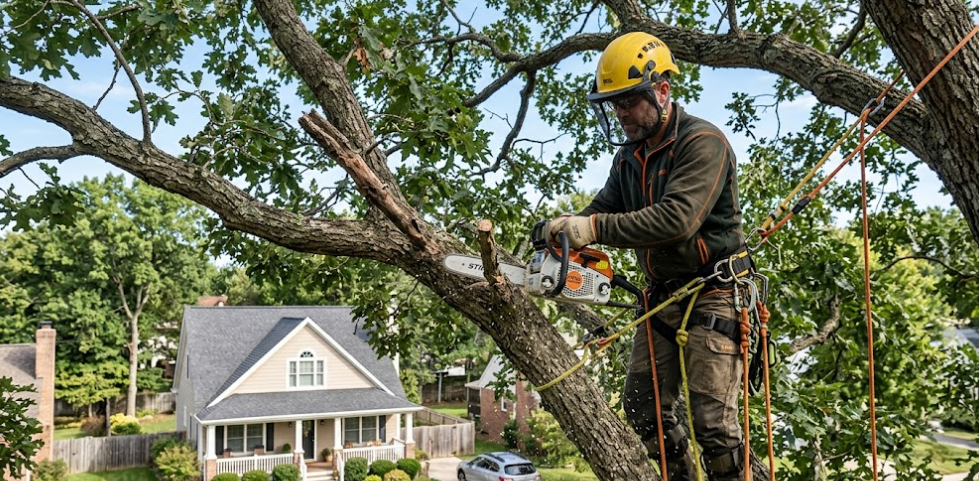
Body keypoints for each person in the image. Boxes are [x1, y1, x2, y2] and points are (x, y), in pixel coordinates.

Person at [548, 32, 749, 481]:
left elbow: (676, 219)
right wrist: (566, 230)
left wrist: (593, 229)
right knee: (643, 408)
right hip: (660, 296)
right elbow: (603, 209)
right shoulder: (629, 157)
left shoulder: (703, 143)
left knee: (712, 424)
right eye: (614, 103)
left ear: (661, 90)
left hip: (713, 290)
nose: (621, 113)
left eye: (629, 100)